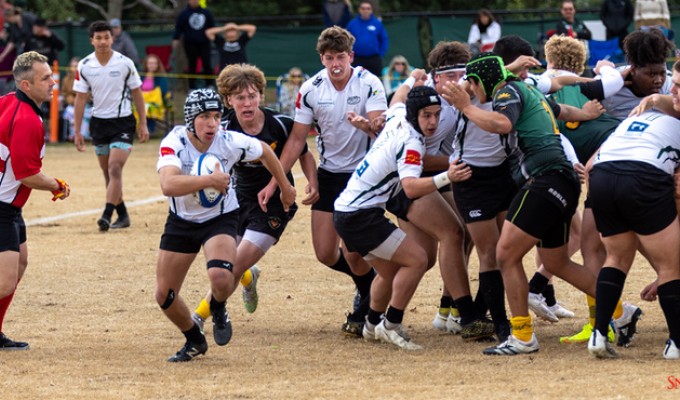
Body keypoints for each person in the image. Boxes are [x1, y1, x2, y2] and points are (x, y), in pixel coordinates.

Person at [443, 52, 606, 355]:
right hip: (560, 180)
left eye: (473, 84)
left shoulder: (506, 91)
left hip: (545, 180)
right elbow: (561, 110)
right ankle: (621, 311)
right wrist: (584, 114)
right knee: (556, 261)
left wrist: (465, 106)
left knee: (504, 254)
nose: (474, 93)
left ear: (483, 81)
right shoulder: (528, 88)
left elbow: (503, 124)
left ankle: (522, 336)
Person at [259, 26, 386, 336]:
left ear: (351, 56)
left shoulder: (369, 82)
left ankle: (368, 305)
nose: (336, 65)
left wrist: (366, 125)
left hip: (364, 174)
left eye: (341, 57)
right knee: (325, 253)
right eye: (329, 58)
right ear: (322, 58)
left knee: (354, 250)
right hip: (330, 174)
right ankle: (369, 285)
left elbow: (383, 130)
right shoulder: (311, 88)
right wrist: (275, 181)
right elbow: (296, 141)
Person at [155, 88, 296, 362]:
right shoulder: (175, 141)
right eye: (205, 117)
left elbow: (265, 150)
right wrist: (209, 181)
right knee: (164, 295)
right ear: (190, 119)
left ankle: (218, 305)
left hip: (220, 218)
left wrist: (285, 185)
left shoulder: (228, 140)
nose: (212, 124)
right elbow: (168, 184)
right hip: (182, 221)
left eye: (217, 116)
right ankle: (194, 339)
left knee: (220, 277)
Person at [336, 86, 472, 350]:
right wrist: (448, 177)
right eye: (426, 115)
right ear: (415, 114)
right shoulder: (411, 141)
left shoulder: (398, 115)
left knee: (390, 271)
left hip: (348, 211)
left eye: (436, 114)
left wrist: (412, 78)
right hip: (360, 216)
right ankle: (392, 324)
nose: (432, 122)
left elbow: (398, 96)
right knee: (418, 259)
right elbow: (410, 187)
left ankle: (372, 323)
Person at [190, 63, 316, 326]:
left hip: (275, 204)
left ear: (261, 95)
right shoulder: (223, 128)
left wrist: (311, 182)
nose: (247, 103)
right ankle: (249, 278)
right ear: (228, 100)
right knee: (226, 263)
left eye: (251, 96)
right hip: (237, 201)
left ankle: (199, 317)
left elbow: (304, 153)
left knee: (230, 267)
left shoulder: (280, 125)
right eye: (239, 97)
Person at [586, 66, 680, 358]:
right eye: (673, 84)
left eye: (677, 85)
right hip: (641, 175)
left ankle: (599, 335)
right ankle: (676, 344)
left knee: (616, 257)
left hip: (602, 176)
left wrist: (653, 101)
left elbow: (589, 168)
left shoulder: (644, 113)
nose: (671, 90)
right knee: (670, 265)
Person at [0, 51, 70, 350]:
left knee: (21, 262)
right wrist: (58, 185)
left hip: (11, 207)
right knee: (4, 281)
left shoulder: (8, 102)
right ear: (26, 85)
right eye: (45, 78)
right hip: (2, 208)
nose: (53, 82)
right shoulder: (27, 118)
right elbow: (28, 175)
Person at [72, 21, 149, 231]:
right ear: (92, 41)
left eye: (106, 37)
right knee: (108, 173)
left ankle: (106, 215)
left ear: (112, 38)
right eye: (98, 38)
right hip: (98, 124)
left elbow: (137, 94)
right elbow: (80, 98)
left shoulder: (125, 63)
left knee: (115, 167)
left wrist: (143, 123)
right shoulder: (84, 65)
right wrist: (77, 130)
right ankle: (122, 214)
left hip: (122, 121)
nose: (103, 41)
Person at [600, 27, 674, 120]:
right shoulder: (609, 86)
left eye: (662, 73)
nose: (658, 80)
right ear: (633, 70)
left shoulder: (671, 86)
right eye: (651, 74)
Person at [172, 0, 215, 89]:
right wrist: (176, 39)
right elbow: (178, 27)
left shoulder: (206, 12)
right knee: (192, 65)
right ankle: (192, 88)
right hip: (190, 44)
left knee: (207, 63)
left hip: (204, 43)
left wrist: (214, 38)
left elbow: (212, 26)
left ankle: (210, 85)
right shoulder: (184, 13)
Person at [346, 0, 388, 78]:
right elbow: (346, 40)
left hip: (374, 59)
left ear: (371, 10)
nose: (365, 10)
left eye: (368, 8)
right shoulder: (352, 24)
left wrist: (381, 54)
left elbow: (384, 39)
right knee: (355, 80)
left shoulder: (377, 24)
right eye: (363, 8)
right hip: (357, 58)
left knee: (376, 81)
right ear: (359, 10)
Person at [61, 57, 91, 142]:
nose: (75, 68)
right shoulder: (66, 79)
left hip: (85, 105)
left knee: (84, 113)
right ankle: (73, 135)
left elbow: (89, 93)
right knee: (70, 112)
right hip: (71, 105)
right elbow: (65, 93)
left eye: (77, 66)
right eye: (73, 66)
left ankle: (84, 135)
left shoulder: (86, 78)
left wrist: (81, 100)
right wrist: (72, 100)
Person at [140, 54, 169, 134]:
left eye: (154, 63)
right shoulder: (141, 76)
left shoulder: (161, 76)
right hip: (141, 101)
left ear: (157, 65)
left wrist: (150, 95)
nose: (152, 65)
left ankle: (149, 129)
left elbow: (163, 91)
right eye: (150, 63)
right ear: (146, 64)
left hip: (156, 102)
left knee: (149, 108)